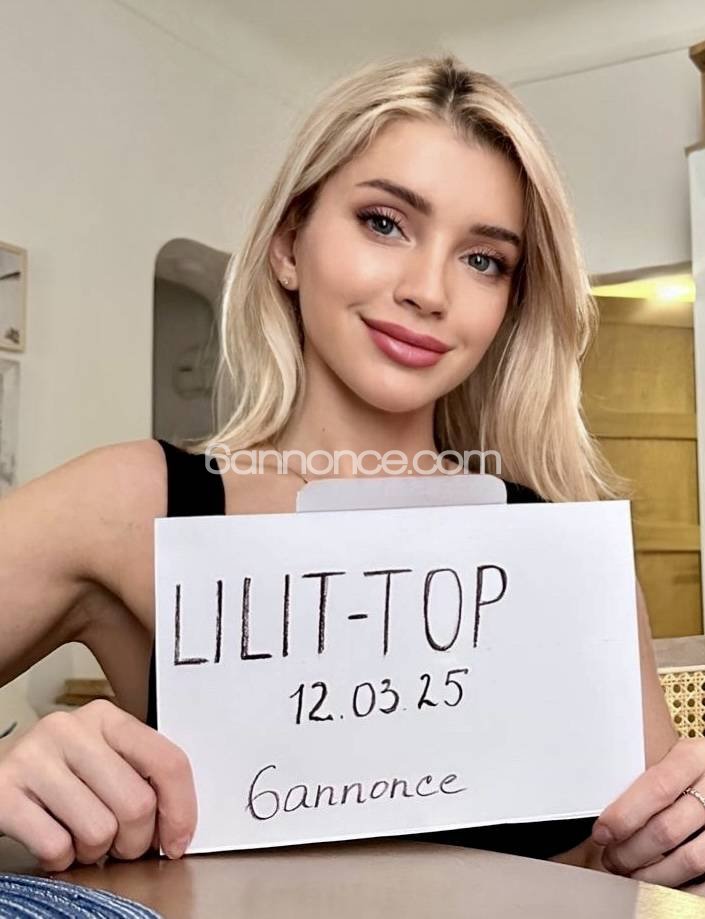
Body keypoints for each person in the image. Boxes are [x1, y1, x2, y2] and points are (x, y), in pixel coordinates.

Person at [0, 51, 697, 890]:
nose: (427, 289)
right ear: (289, 243)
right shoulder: (132, 503)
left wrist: (675, 843)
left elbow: (641, 862)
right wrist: (10, 779)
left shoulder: (567, 556)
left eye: (483, 259)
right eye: (383, 222)